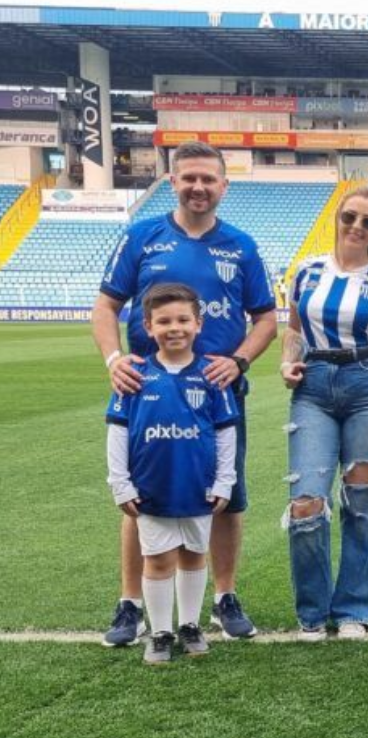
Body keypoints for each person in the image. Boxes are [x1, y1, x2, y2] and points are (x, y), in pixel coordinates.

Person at [92, 140, 277, 648]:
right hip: (147, 391)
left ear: (224, 185)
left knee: (225, 495)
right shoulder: (142, 237)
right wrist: (114, 361)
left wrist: (238, 360)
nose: (199, 187)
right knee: (140, 498)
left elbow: (266, 319)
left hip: (217, 394)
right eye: (189, 177)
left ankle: (224, 596)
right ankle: (131, 602)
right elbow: (105, 307)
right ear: (173, 182)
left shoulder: (241, 246)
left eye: (208, 179)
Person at [279, 186, 368, 641]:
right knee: (307, 503)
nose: (357, 227)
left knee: (362, 504)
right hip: (314, 389)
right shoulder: (306, 271)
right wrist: (287, 361)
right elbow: (294, 330)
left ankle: (355, 608)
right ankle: (313, 612)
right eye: (350, 217)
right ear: (337, 218)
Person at [105, 283, 239, 665]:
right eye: (163, 321)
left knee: (195, 556)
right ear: (148, 327)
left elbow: (226, 432)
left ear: (198, 323)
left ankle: (190, 625)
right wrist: (120, 483)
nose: (174, 327)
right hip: (153, 488)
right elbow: (117, 431)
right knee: (159, 560)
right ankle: (160, 631)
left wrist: (224, 480)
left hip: (197, 486)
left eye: (183, 319)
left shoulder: (212, 375)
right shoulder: (134, 375)